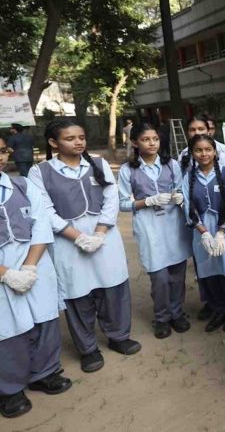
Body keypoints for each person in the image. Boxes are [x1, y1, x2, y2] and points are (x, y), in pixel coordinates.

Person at [28, 119, 141, 373]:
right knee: (77, 295)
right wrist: (77, 236)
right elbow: (44, 210)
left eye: (81, 137)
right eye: (70, 138)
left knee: (113, 287)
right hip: (68, 241)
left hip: (105, 237)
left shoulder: (98, 163)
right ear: (53, 143)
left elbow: (111, 200)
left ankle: (119, 336)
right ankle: (88, 349)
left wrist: (100, 233)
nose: (78, 142)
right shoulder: (40, 172)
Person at [0, 136, 72, 419]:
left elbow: (41, 226)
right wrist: (7, 275)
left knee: (44, 321)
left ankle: (45, 372)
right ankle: (10, 389)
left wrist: (30, 267)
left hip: (35, 262)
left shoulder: (21, 184)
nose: (0, 156)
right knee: (7, 332)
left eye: (2, 151)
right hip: (3, 273)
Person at [118, 123, 191, 339]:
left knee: (177, 276)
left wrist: (180, 197)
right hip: (149, 226)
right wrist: (147, 201)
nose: (152, 143)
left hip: (173, 225)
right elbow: (122, 203)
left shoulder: (172, 165)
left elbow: (180, 190)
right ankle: (161, 317)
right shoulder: (128, 170)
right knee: (159, 277)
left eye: (156, 139)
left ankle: (177, 313)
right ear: (135, 142)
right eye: (146, 139)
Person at [183, 134, 225, 333]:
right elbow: (187, 205)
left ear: (215, 152)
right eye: (198, 150)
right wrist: (203, 232)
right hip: (202, 230)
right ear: (192, 153)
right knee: (209, 271)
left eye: (208, 149)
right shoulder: (189, 176)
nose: (204, 154)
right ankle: (218, 309)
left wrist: (221, 232)